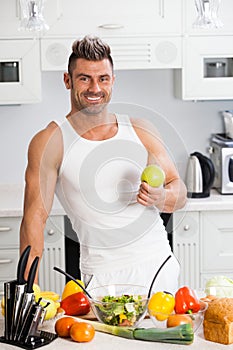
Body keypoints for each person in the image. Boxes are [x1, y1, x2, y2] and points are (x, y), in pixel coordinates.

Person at [20, 35, 187, 293]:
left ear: (113, 81)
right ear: (68, 80)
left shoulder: (141, 129)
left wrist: (160, 196)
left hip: (159, 266)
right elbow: (34, 219)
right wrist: (27, 293)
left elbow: (179, 193)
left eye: (103, 78)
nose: (94, 88)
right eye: (84, 78)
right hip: (101, 278)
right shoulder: (51, 141)